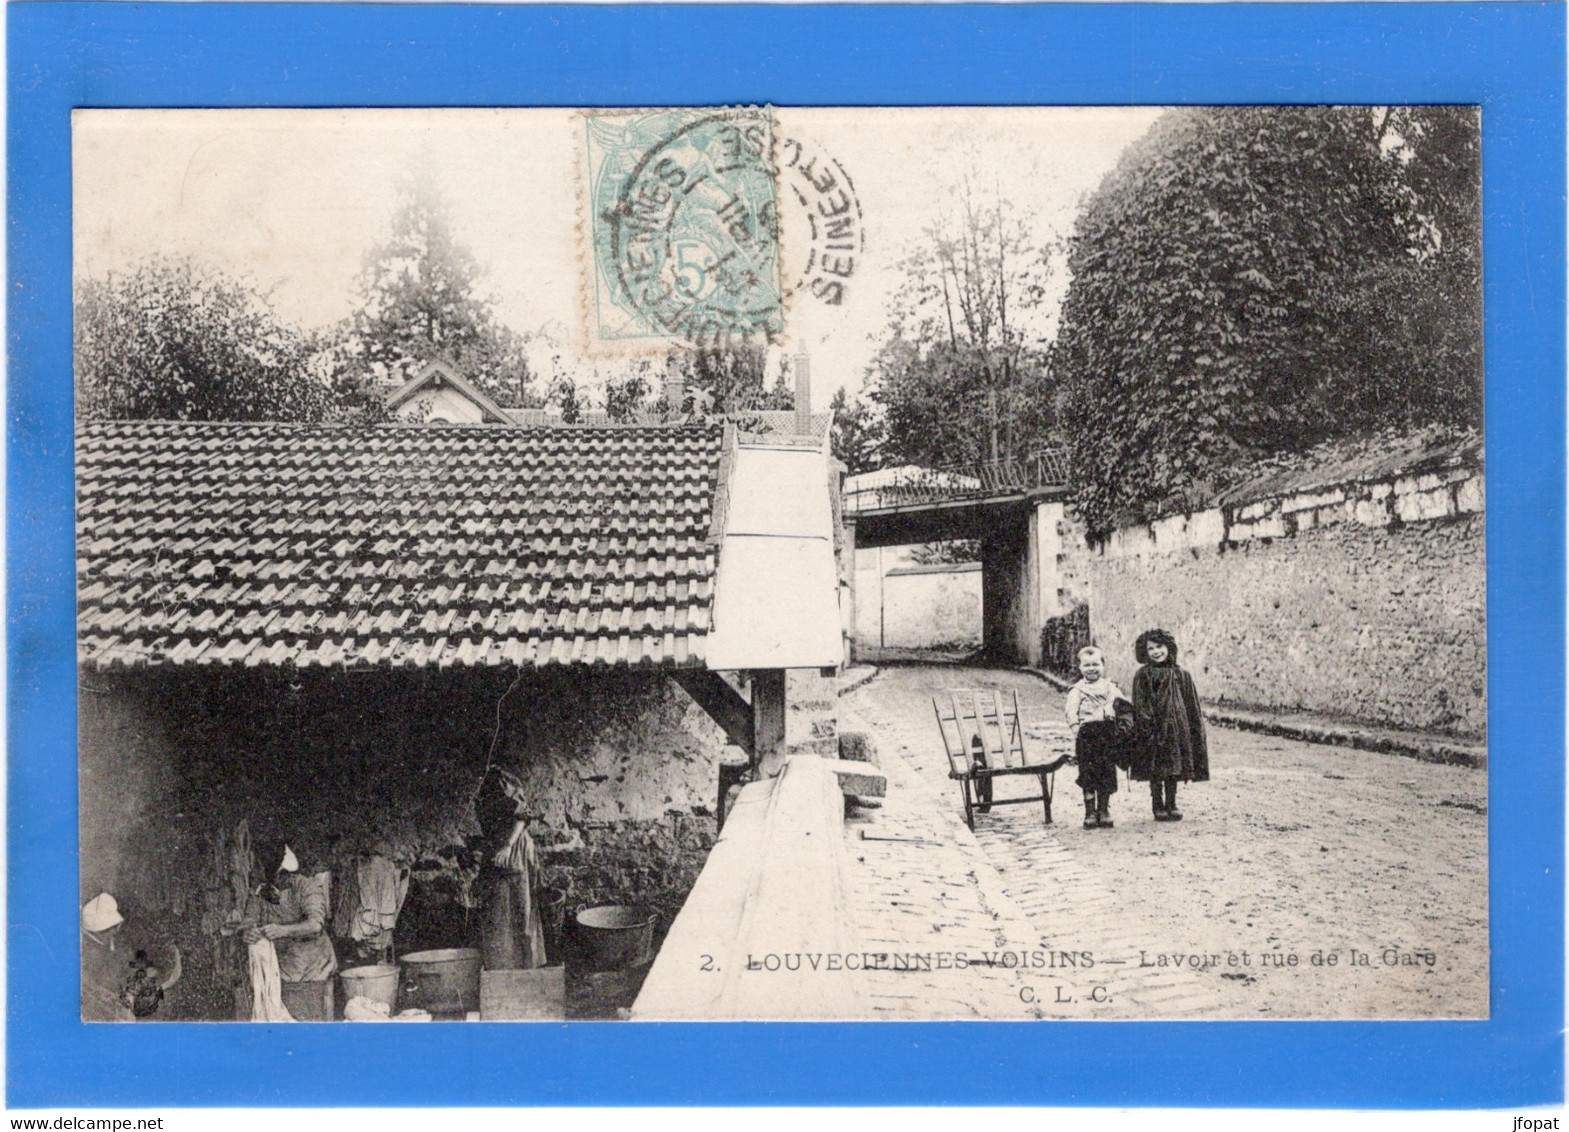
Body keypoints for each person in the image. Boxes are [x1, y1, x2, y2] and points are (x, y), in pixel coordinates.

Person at [244, 840, 337, 1017]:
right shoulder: (260, 892)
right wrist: (248, 931)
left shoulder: (305, 887)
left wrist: (283, 930)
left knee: (312, 1021)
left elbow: (315, 924)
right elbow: (249, 918)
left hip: (313, 969)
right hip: (283, 970)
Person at [472, 767, 547, 970]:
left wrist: (507, 846)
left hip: (514, 850)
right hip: (497, 849)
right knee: (497, 912)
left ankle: (525, 968)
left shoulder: (501, 781)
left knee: (520, 911)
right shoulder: (481, 790)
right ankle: (503, 967)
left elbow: (521, 817)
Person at [1131, 628, 1210, 821]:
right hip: (1154, 728)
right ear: (1145, 652)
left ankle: (1171, 803)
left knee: (1174, 766)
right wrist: (1147, 724)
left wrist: (1192, 729)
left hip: (1176, 729)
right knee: (1156, 766)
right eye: (1151, 649)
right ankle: (1157, 803)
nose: (1156, 652)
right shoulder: (1143, 675)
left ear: (1168, 647)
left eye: (1160, 646)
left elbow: (1191, 705)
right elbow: (1140, 702)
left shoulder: (1182, 674)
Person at [81, 892, 181, 1021]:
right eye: (112, 928)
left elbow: (166, 960)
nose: (117, 929)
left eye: (116, 927)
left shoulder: (139, 931)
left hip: (162, 968)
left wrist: (151, 980)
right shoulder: (89, 953)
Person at [1064, 646, 1130, 829]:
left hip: (1108, 736)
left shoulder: (1111, 688)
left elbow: (1124, 707)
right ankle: (1090, 812)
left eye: (1096, 664)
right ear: (1079, 667)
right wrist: (1076, 730)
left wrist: (1119, 721)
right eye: (1087, 665)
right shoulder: (1077, 690)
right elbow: (1071, 712)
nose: (1092, 669)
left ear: (1103, 665)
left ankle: (1103, 809)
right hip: (1087, 737)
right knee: (1088, 773)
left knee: (1107, 771)